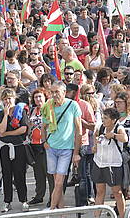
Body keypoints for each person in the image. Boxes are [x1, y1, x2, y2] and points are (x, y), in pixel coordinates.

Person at [42, 82, 82, 210]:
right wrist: (44, 142)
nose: (54, 95)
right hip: (51, 148)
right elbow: (43, 126)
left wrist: (76, 153)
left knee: (59, 182)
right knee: (56, 184)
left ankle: (52, 209)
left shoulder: (73, 105)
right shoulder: (48, 106)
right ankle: (62, 212)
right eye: (52, 92)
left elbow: (79, 130)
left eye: (57, 92)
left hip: (66, 148)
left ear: (64, 92)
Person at [0, 88, 30, 213]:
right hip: (5, 148)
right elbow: (0, 130)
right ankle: (7, 201)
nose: (8, 101)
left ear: (14, 98)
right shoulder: (1, 113)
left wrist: (7, 133)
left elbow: (23, 129)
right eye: (5, 99)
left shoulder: (20, 111)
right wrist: (5, 114)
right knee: (7, 175)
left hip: (18, 147)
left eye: (9, 98)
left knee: (20, 175)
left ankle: (24, 200)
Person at [92, 107, 128, 216]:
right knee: (100, 191)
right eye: (103, 117)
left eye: (106, 118)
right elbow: (95, 135)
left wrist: (114, 135)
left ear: (113, 120)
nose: (103, 120)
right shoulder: (100, 127)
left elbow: (125, 138)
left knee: (117, 192)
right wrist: (95, 146)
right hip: (99, 163)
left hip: (114, 164)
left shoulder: (119, 128)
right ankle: (97, 215)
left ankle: (122, 216)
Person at [26, 88, 54, 207]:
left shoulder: (49, 109)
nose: (38, 99)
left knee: (49, 173)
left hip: (46, 145)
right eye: (36, 97)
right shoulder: (32, 110)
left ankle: (53, 197)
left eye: (40, 96)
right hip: (34, 145)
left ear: (45, 97)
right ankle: (39, 196)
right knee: (38, 173)